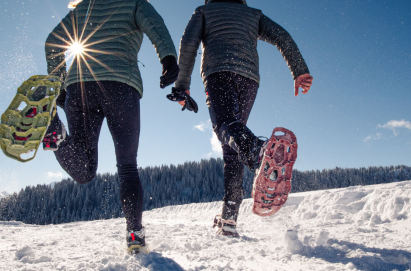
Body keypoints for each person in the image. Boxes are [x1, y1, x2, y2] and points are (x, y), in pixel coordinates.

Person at [43, 0, 179, 253]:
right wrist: (169, 58)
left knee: (83, 171)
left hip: (79, 88)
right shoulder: (135, 3)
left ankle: (59, 138)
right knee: (127, 166)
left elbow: (53, 43)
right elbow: (156, 26)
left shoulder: (83, 8)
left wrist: (58, 84)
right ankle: (135, 234)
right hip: (121, 86)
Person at [174, 0, 313, 237]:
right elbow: (282, 36)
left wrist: (182, 85)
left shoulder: (205, 11)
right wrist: (299, 69)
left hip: (218, 72)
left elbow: (189, 43)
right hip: (249, 79)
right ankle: (229, 219)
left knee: (225, 129)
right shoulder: (252, 14)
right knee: (233, 143)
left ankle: (259, 152)